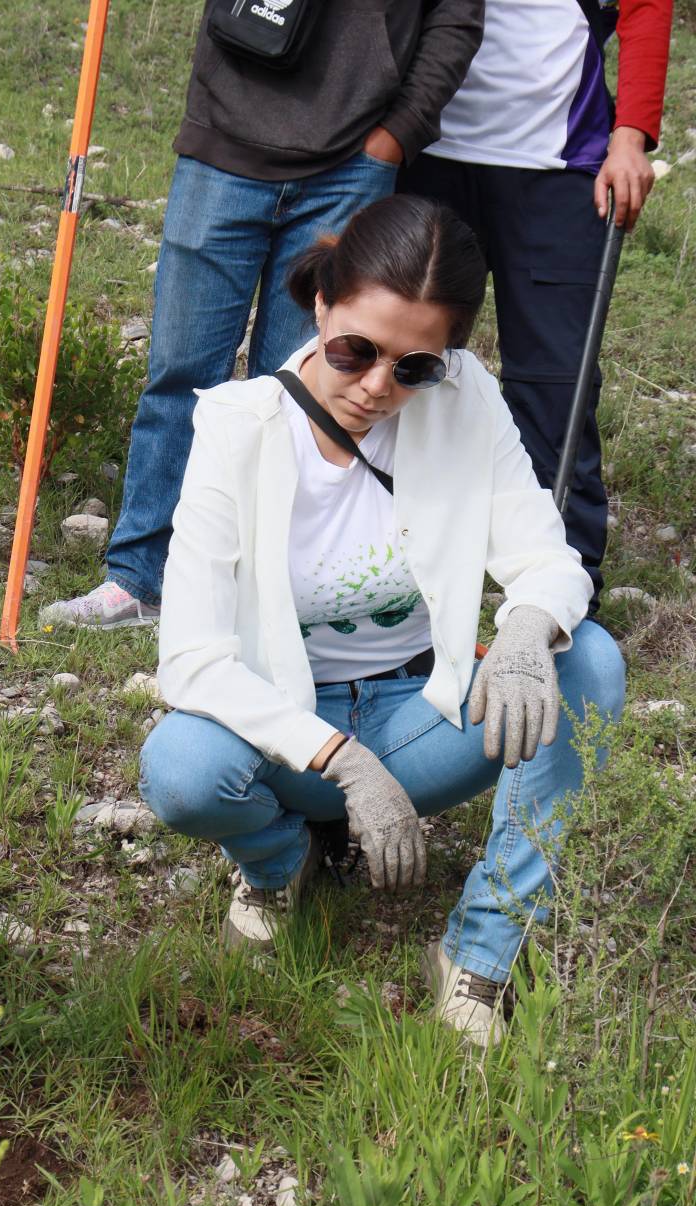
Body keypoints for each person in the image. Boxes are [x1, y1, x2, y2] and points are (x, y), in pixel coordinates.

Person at [138, 196, 627, 1048]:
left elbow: (546, 556)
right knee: (182, 765)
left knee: (588, 659)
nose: (376, 387)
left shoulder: (462, 396)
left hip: (418, 718)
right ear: (321, 302)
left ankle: (482, 951)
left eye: (414, 367)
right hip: (294, 735)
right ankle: (280, 862)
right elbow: (190, 660)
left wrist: (523, 629)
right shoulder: (240, 426)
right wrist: (342, 762)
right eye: (355, 351)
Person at [42, 0, 484, 633]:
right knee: (180, 374)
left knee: (307, 396)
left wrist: (399, 133)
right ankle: (141, 578)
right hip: (223, 140)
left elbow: (457, 17)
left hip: (351, 161)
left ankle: (267, 593)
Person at [402, 0, 674, 607]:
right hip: (425, 150)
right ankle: (395, 578)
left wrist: (630, 136)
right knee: (407, 369)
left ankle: (562, 593)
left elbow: (646, 7)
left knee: (556, 386)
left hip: (558, 163)